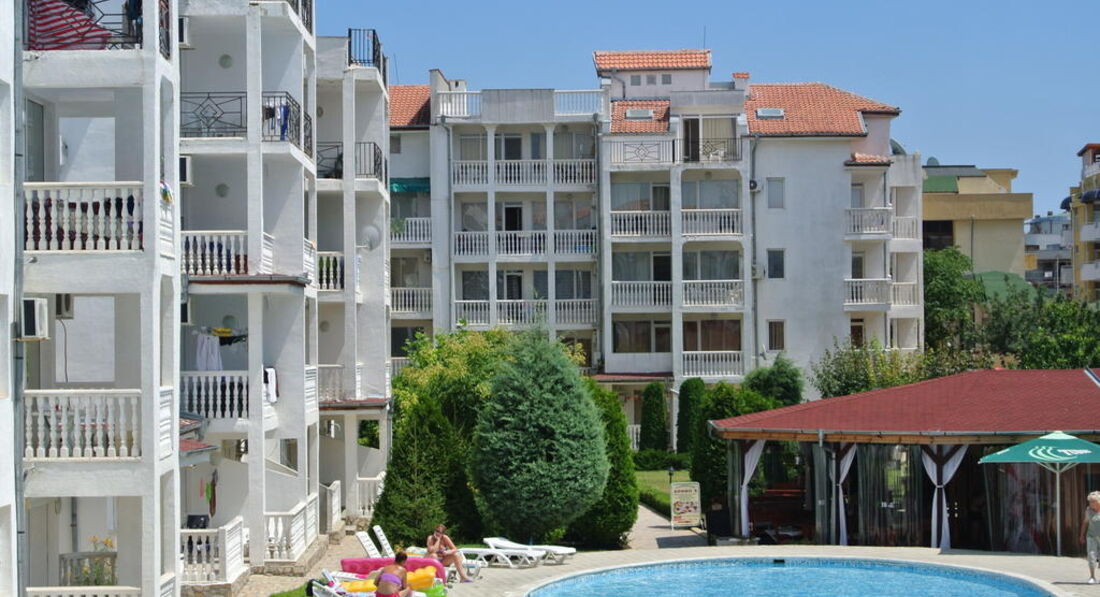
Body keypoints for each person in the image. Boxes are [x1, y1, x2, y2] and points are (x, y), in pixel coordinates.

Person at [1079, 491, 1100, 584]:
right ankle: (1092, 577)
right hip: (1091, 536)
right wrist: (1082, 535)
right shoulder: (1088, 510)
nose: (1091, 503)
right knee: (1091, 556)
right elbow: (1085, 523)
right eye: (1090, 501)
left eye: (1093, 501)